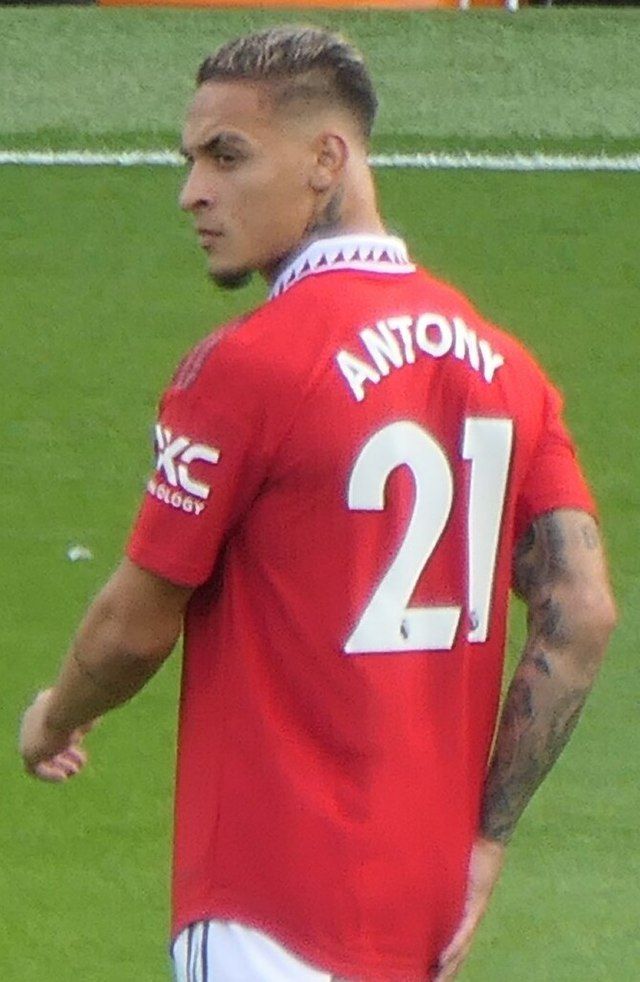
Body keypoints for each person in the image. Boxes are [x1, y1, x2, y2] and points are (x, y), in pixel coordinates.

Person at [19, 25, 616, 982]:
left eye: (228, 156)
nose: (193, 192)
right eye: (192, 161)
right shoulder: (509, 368)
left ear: (326, 160)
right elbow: (580, 612)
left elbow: (134, 629)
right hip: (415, 925)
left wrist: (54, 717)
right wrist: (489, 836)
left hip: (265, 910)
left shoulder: (248, 366)